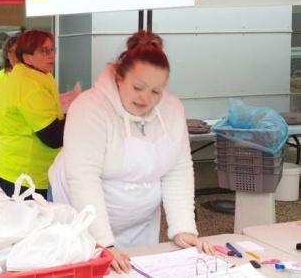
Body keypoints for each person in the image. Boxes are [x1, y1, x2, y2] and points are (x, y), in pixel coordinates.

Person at [48, 31, 214, 273]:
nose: (146, 98)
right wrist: (102, 242)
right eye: (138, 87)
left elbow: (177, 170)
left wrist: (182, 228)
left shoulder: (172, 109)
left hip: (140, 223)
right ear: (118, 77)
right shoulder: (89, 108)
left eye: (156, 92)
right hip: (83, 213)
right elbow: (83, 178)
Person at [0, 30, 78, 198]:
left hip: (15, 168)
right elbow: (53, 137)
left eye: (53, 49)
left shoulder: (28, 77)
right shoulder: (29, 85)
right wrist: (79, 111)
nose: (52, 55)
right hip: (25, 175)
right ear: (27, 57)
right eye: (45, 51)